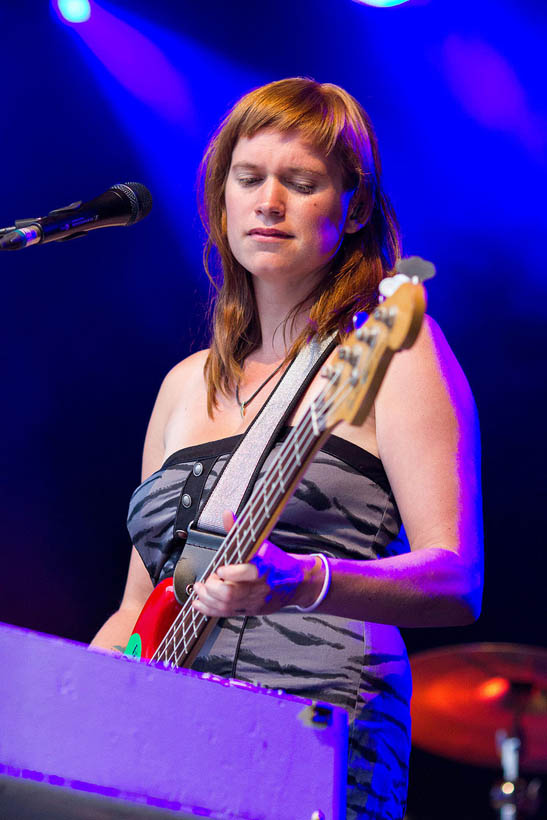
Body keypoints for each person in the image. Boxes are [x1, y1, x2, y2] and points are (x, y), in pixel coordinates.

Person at [91, 78, 483, 819]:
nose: (268, 201)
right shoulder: (184, 385)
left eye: (300, 183)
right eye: (249, 178)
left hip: (310, 719)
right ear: (222, 199)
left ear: (354, 205)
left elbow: (456, 579)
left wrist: (302, 579)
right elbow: (137, 608)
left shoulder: (390, 350)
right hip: (161, 734)